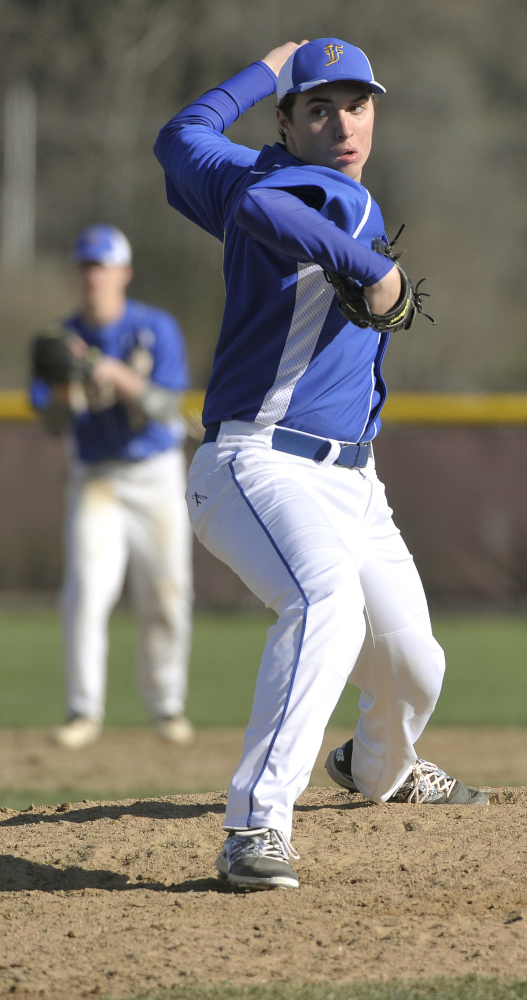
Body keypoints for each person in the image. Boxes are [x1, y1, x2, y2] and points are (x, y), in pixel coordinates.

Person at [154, 37, 487, 890]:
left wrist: (270, 64)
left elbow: (181, 136)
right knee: (322, 603)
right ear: (289, 124)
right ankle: (255, 827)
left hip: (354, 483)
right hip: (256, 464)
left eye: (356, 104)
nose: (341, 123)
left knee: (417, 663)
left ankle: (376, 771)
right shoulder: (295, 189)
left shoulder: (239, 172)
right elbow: (269, 212)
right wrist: (370, 265)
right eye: (318, 107)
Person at [31, 224, 194, 749]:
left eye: (102, 265)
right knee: (85, 590)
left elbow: (168, 410)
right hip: (96, 478)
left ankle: (167, 706)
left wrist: (108, 371)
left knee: (167, 594)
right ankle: (83, 711)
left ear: (123, 272)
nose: (93, 275)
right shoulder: (60, 339)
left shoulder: (154, 329)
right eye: (85, 265)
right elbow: (53, 426)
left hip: (154, 475)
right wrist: (62, 388)